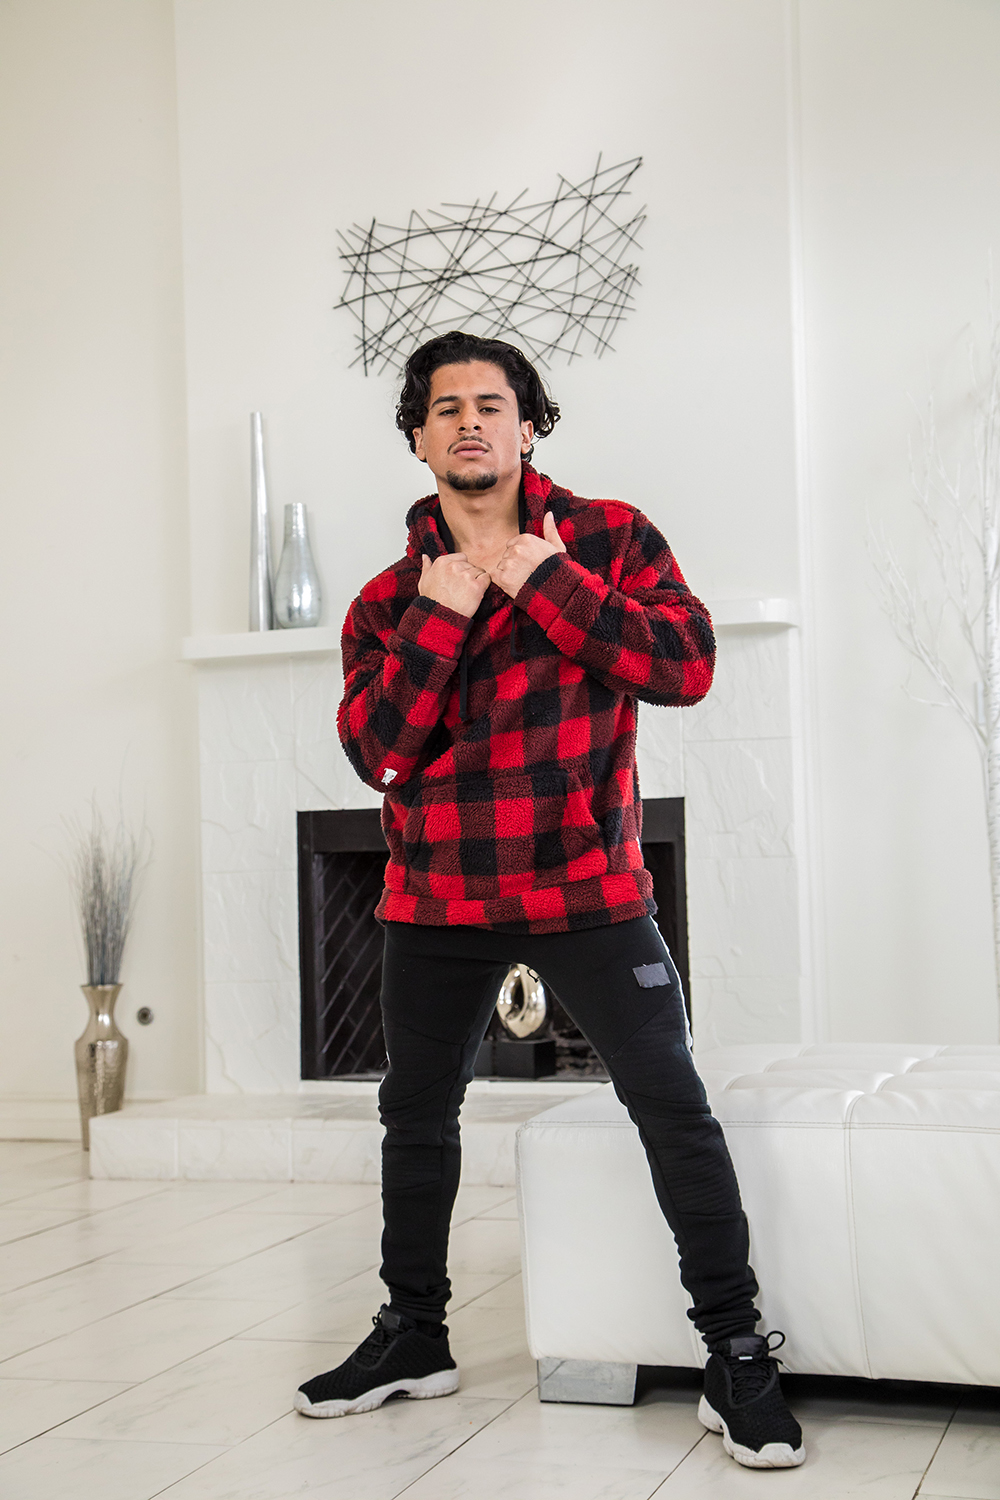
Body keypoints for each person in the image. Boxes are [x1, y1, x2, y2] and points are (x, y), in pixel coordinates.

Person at [295, 330, 804, 1470]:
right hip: (436, 896)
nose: (468, 422)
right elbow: (377, 754)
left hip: (586, 884)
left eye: (491, 404)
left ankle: (735, 1351)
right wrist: (441, 614)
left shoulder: (611, 539)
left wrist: (544, 578)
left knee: (672, 1107)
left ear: (529, 426)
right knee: (413, 1118)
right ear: (418, 438)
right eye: (445, 408)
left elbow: (684, 668)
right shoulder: (389, 599)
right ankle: (414, 1335)